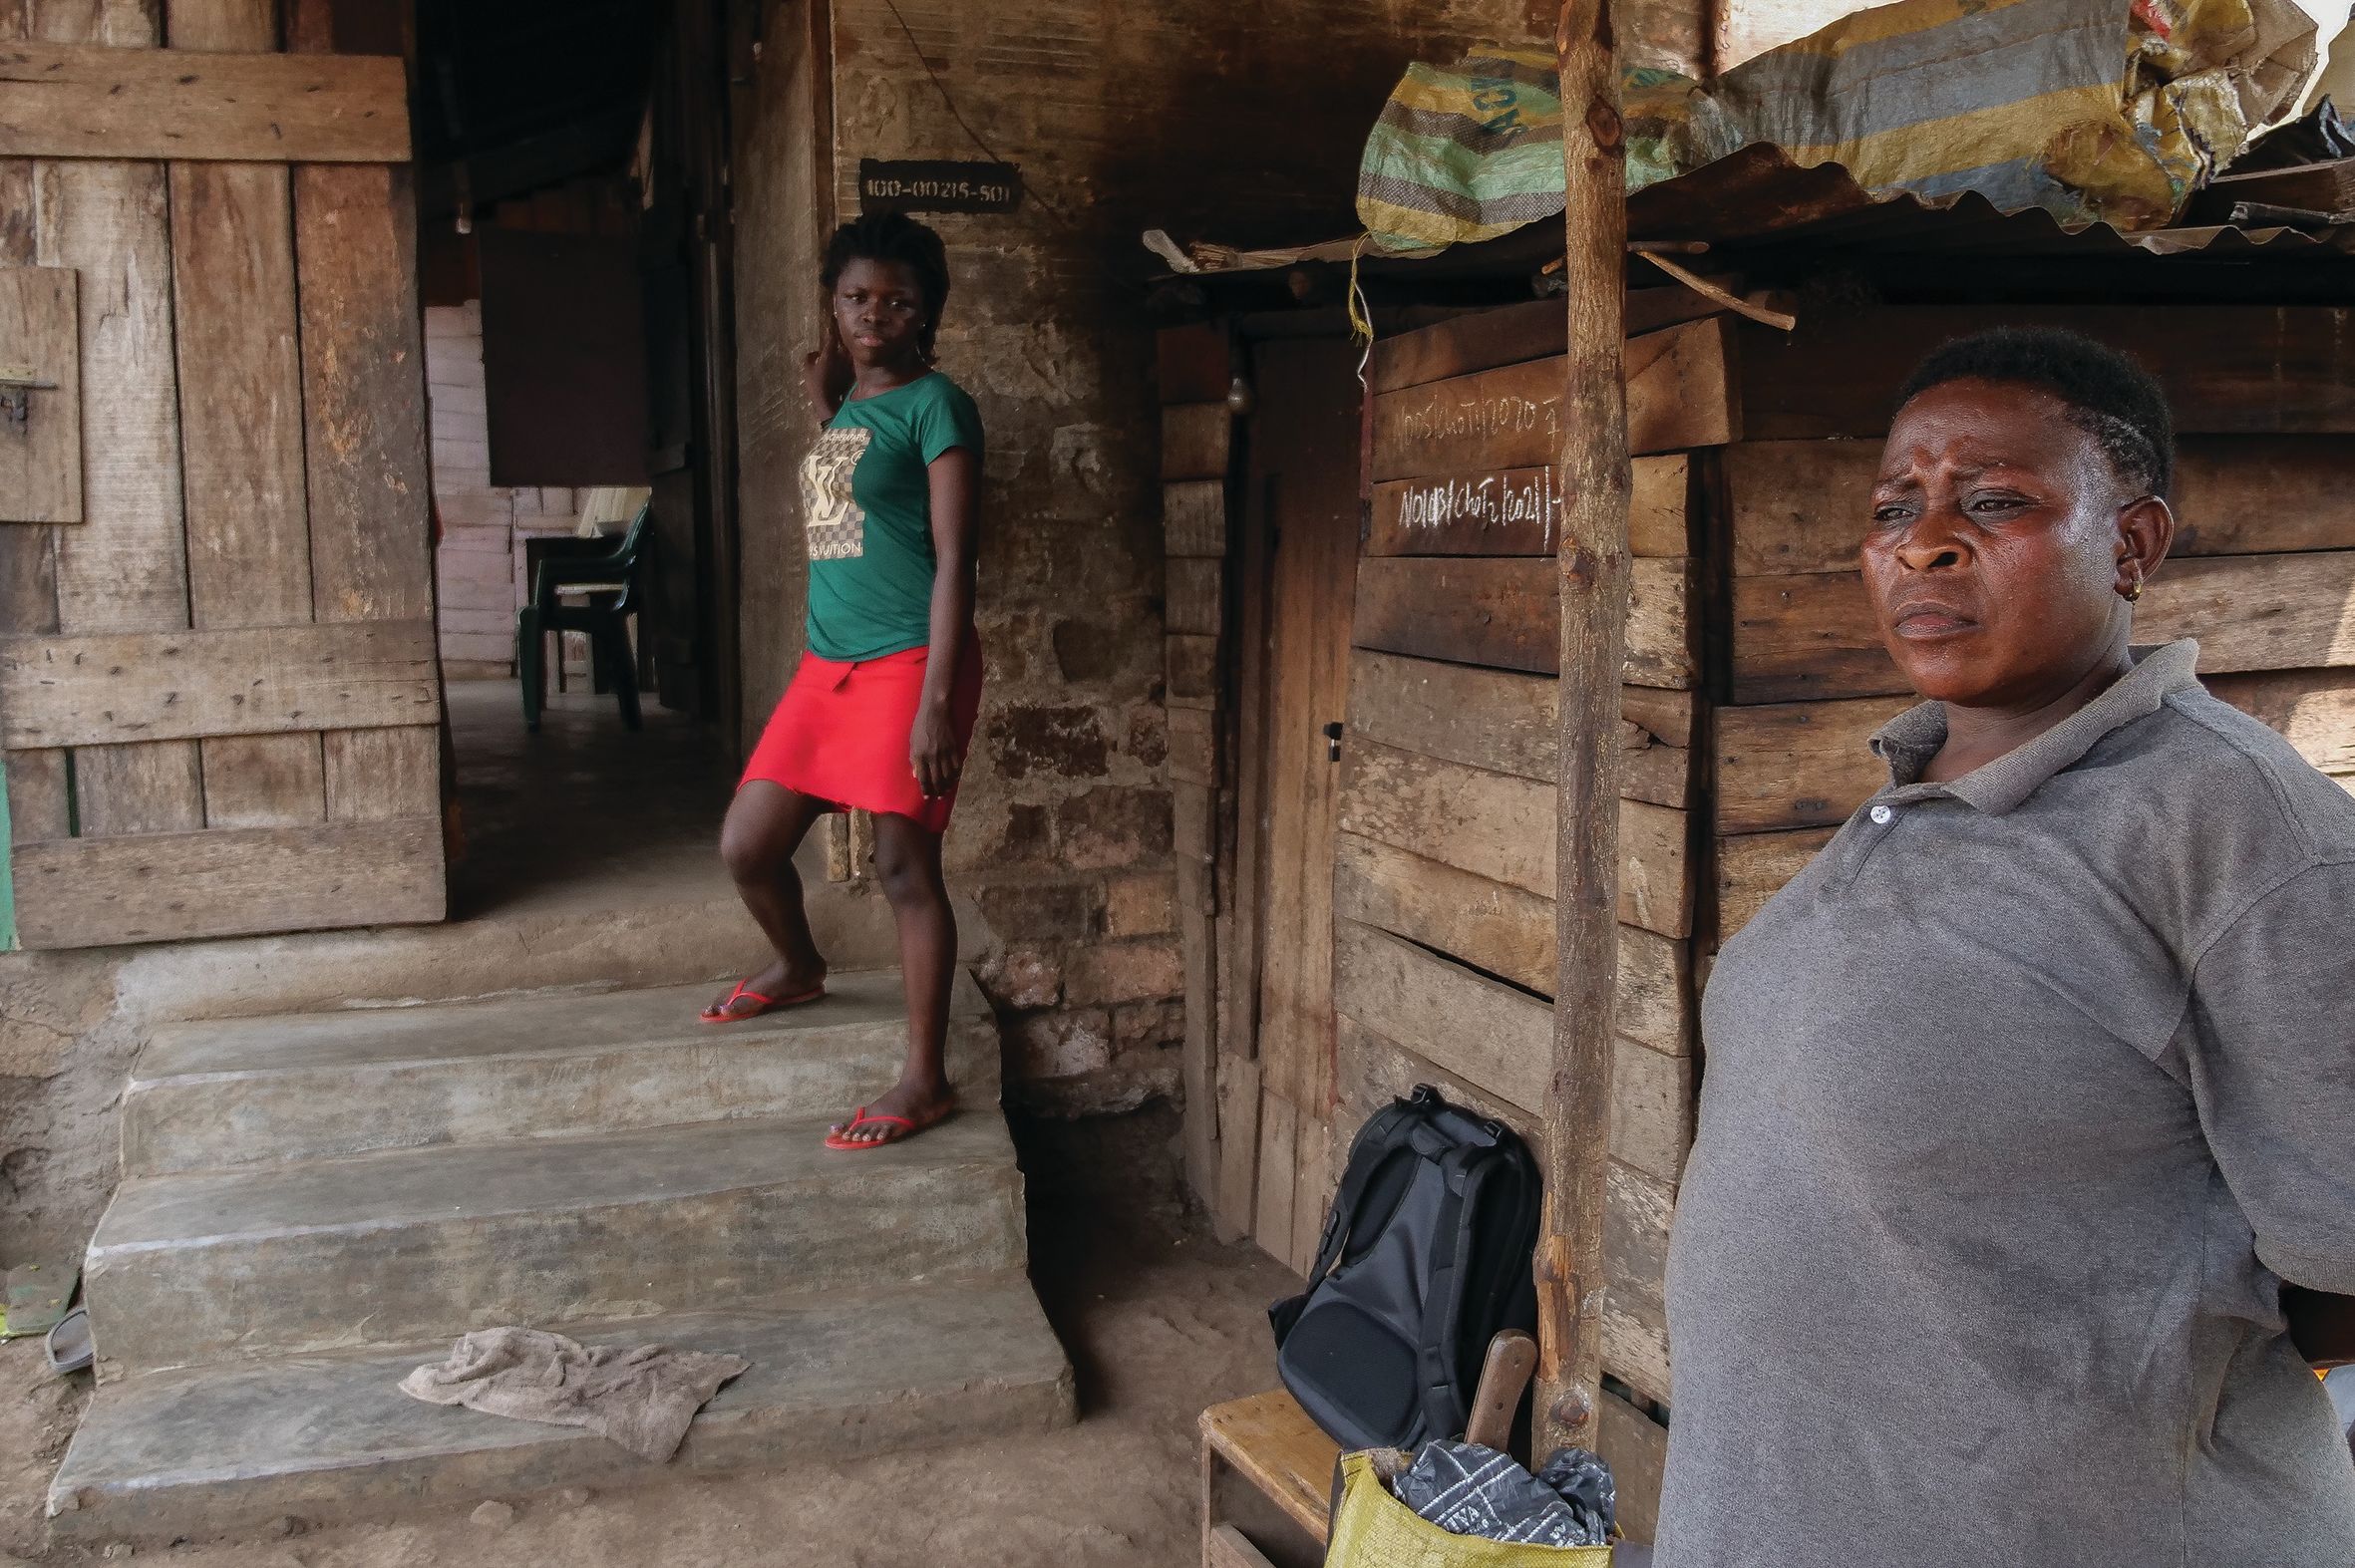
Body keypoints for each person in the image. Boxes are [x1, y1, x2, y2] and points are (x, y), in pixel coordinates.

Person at [1657, 327, 2355, 1566]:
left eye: (1992, 501)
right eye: (1893, 506)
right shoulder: (1913, 783)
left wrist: (2106, 1371)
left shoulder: (2235, 831)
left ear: (2132, 545)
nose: (1923, 540)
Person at [702, 211, 984, 1152]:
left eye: (897, 302)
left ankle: (925, 1078)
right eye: (857, 297)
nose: (875, 315)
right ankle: (797, 963)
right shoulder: (851, 408)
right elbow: (858, 501)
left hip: (910, 661)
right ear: (834, 302)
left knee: (905, 867)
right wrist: (824, 405)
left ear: (925, 313)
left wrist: (938, 700)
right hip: (826, 668)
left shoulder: (938, 403)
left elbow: (953, 558)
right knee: (747, 843)